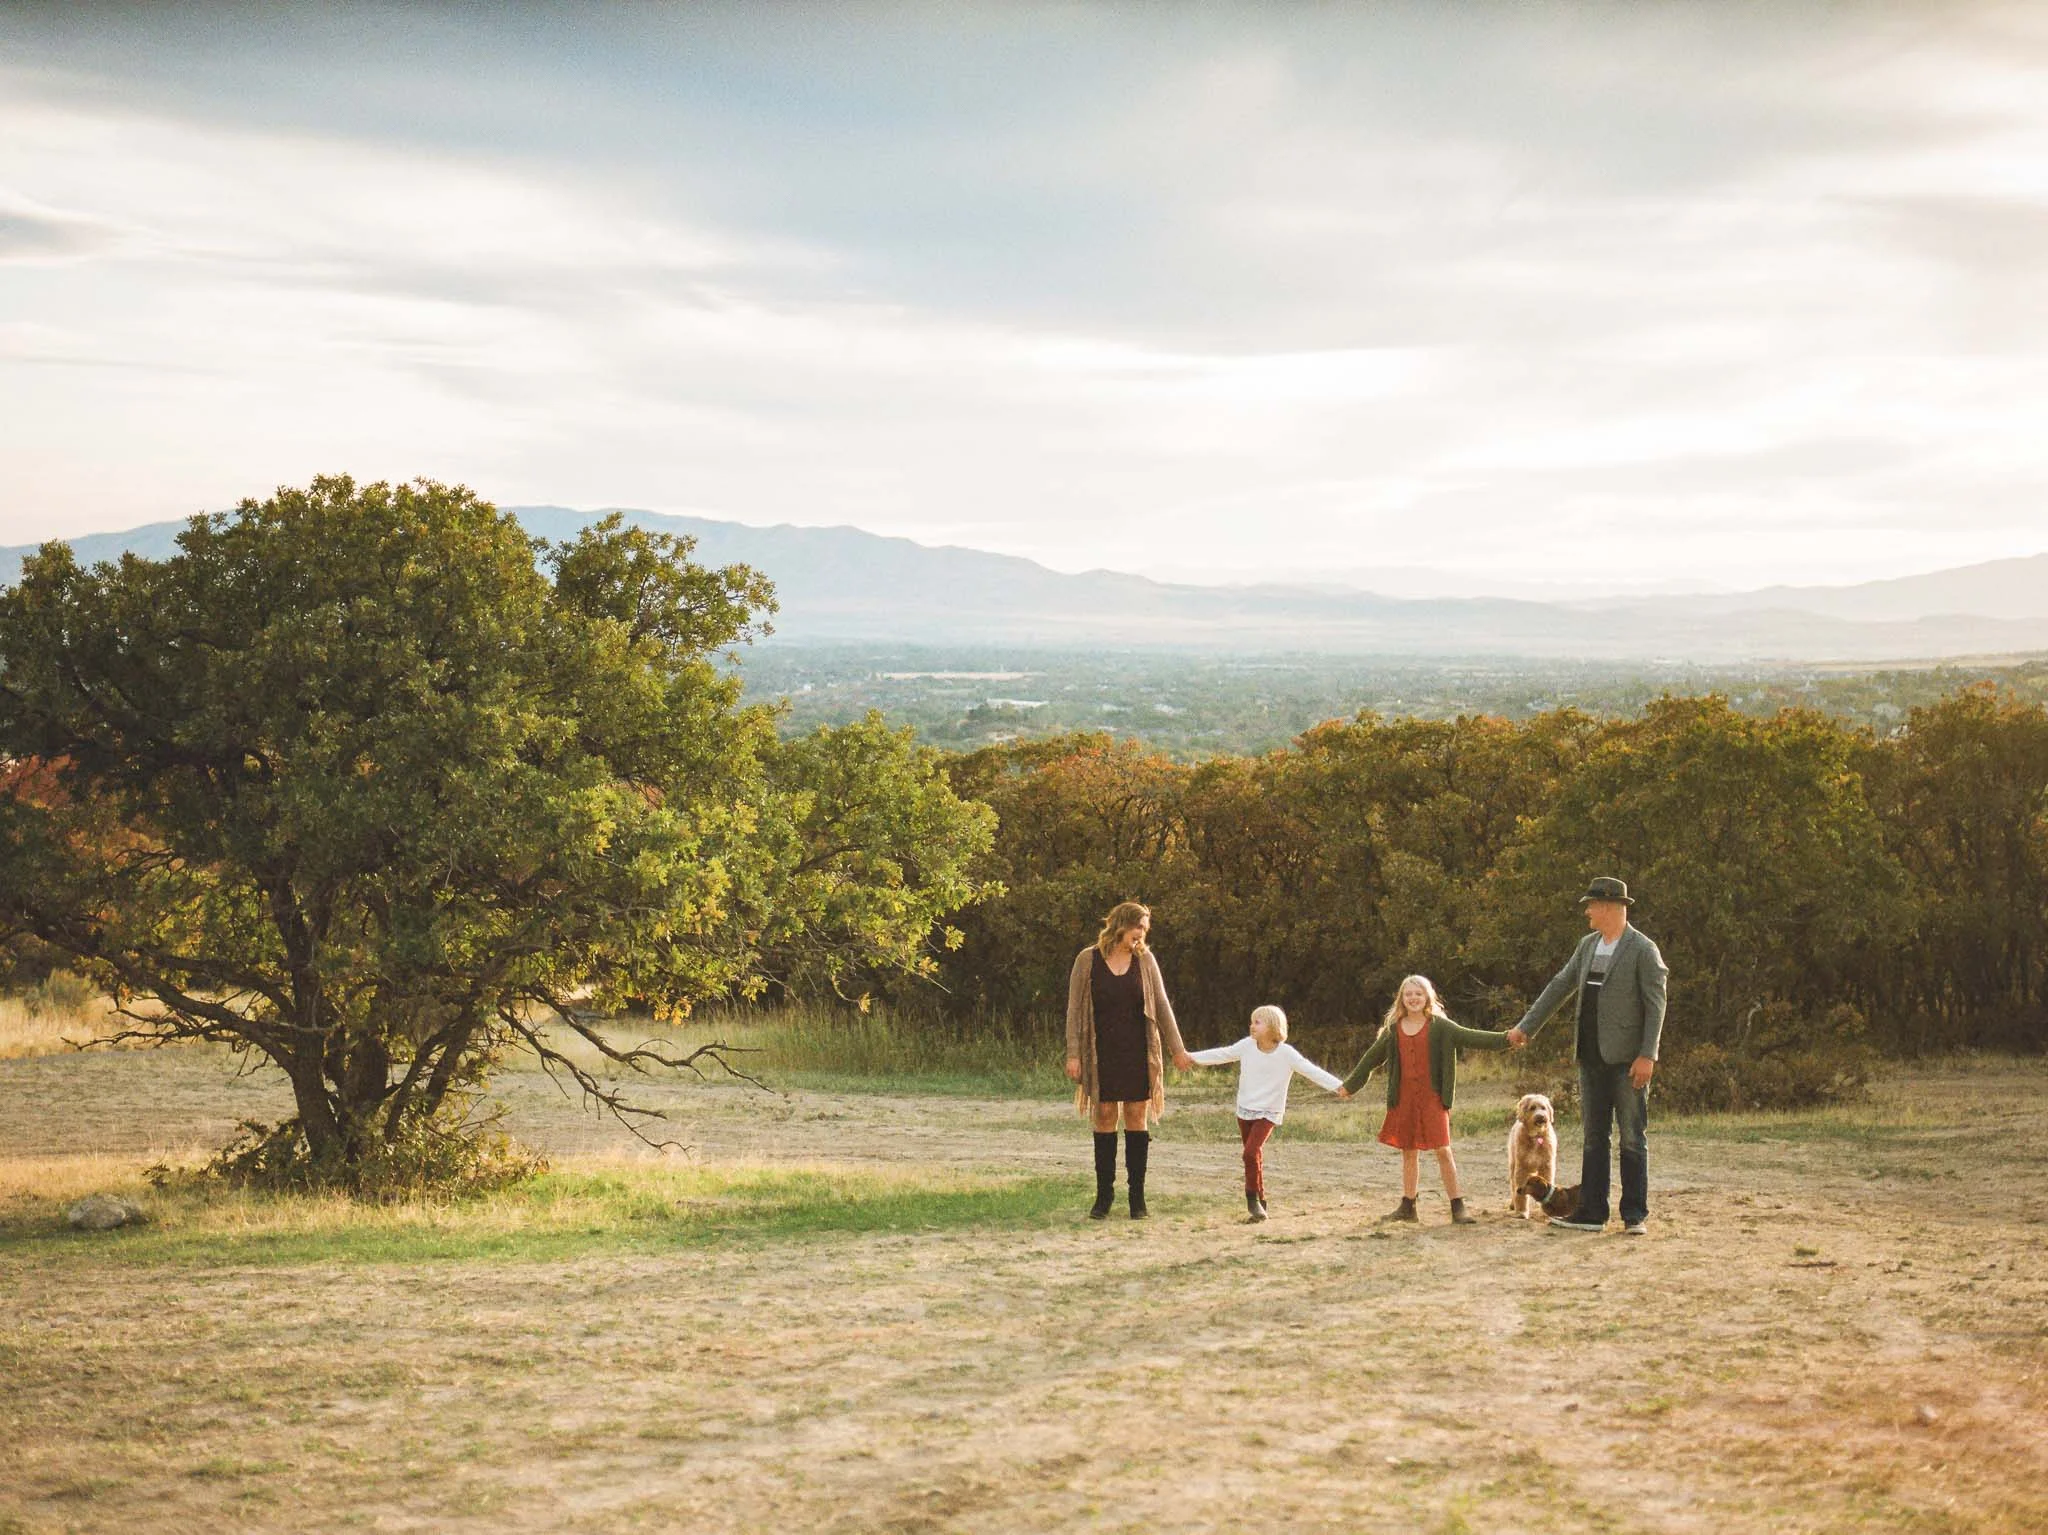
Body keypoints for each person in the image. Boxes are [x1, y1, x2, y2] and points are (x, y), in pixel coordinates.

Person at [1506, 875, 1669, 1236]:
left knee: (1631, 1136)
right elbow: (1560, 985)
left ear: (1611, 907)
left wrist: (1648, 1055)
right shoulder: (1587, 946)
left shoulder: (1643, 950)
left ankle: (1634, 1215)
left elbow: (1656, 1005)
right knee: (1594, 1137)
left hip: (1628, 1060)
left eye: (1592, 906)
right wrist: (1526, 1027)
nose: (1587, 912)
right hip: (1591, 1057)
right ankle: (1592, 1213)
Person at [1342, 974, 1514, 1225]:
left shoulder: (1441, 1027)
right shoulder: (1393, 1030)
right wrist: (1349, 1086)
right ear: (1402, 999)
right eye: (1408, 994)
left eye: (1418, 994)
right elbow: (1370, 1060)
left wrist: (1507, 1038)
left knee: (1443, 1150)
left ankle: (1458, 1207)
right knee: (1408, 1152)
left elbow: (1473, 1037)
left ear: (1427, 998)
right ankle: (1408, 1206)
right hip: (1404, 1098)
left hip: (1432, 1098)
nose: (1413, 998)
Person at [1065, 900, 1193, 1219]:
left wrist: (1177, 1050)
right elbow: (1073, 1010)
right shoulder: (1087, 959)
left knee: (1137, 1115)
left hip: (1138, 1049)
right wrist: (1073, 1053)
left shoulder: (1145, 960)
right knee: (1105, 1115)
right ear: (1120, 925)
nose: (1141, 935)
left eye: (1144, 930)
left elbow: (1161, 1005)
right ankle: (1104, 1197)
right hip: (1101, 1050)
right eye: (1137, 927)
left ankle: (1137, 1199)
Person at [1185, 1004, 1345, 1222]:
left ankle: (1251, 1200)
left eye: (1257, 1022)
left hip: (1268, 1112)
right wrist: (1191, 1057)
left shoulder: (1286, 1053)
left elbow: (1311, 1070)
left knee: (1250, 1153)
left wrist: (1339, 1086)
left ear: (1273, 1026)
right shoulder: (1247, 1046)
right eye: (1252, 1022)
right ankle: (1261, 1201)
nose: (1252, 1026)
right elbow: (1223, 1053)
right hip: (1245, 1110)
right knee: (1254, 1156)